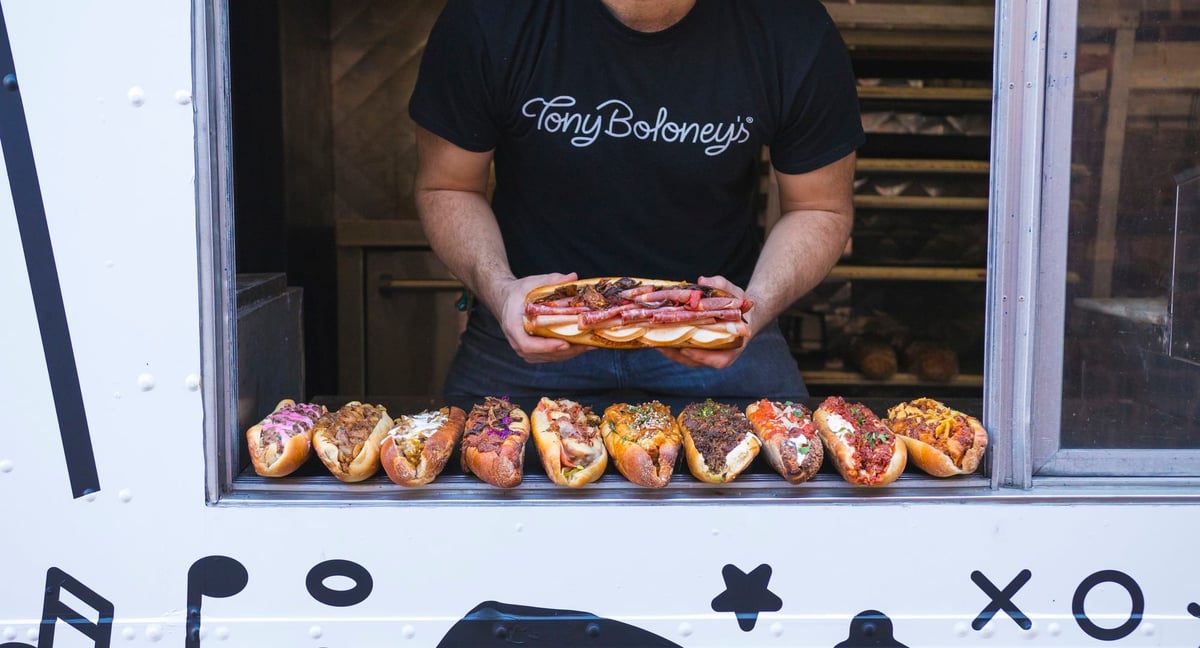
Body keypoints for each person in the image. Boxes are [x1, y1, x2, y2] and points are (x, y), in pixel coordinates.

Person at [409, 0, 863, 413]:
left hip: (717, 332)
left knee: (793, 484)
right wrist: (501, 289)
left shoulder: (790, 24)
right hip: (531, 330)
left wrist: (752, 308)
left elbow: (819, 208)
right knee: (471, 489)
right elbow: (448, 188)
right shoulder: (490, 16)